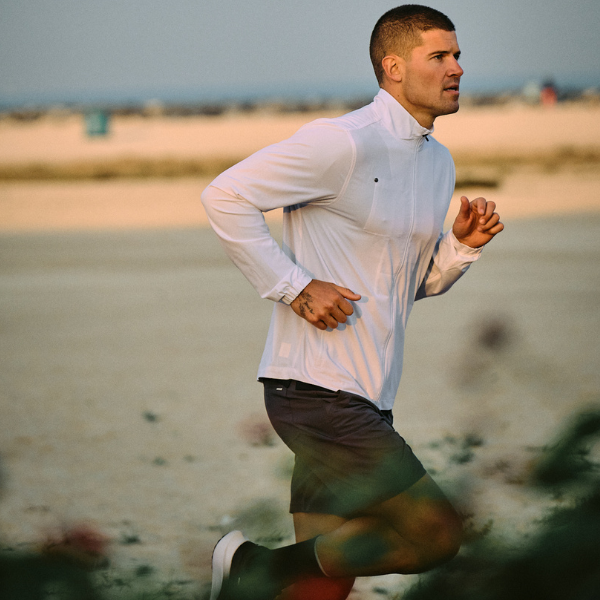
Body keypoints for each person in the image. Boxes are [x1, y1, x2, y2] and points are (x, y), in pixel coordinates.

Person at [201, 5, 504, 600]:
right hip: (316, 390)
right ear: (393, 67)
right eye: (439, 57)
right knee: (437, 534)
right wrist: (295, 286)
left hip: (367, 393)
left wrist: (460, 249)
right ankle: (250, 569)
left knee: (326, 587)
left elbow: (409, 283)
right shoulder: (340, 142)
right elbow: (225, 195)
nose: (457, 69)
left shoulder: (435, 161)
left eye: (458, 55)